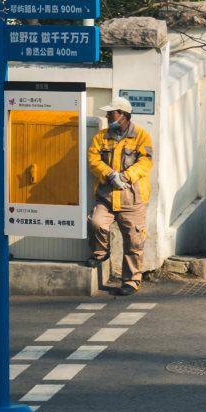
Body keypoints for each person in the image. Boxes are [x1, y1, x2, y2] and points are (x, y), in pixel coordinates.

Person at [87, 97, 153, 295]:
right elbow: (93, 158)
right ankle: (101, 253)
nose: (107, 116)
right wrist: (110, 174)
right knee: (97, 223)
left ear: (123, 115)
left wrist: (124, 176)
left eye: (111, 113)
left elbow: (146, 162)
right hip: (106, 195)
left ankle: (131, 281)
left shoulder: (141, 136)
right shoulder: (101, 136)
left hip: (131, 197)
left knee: (133, 240)